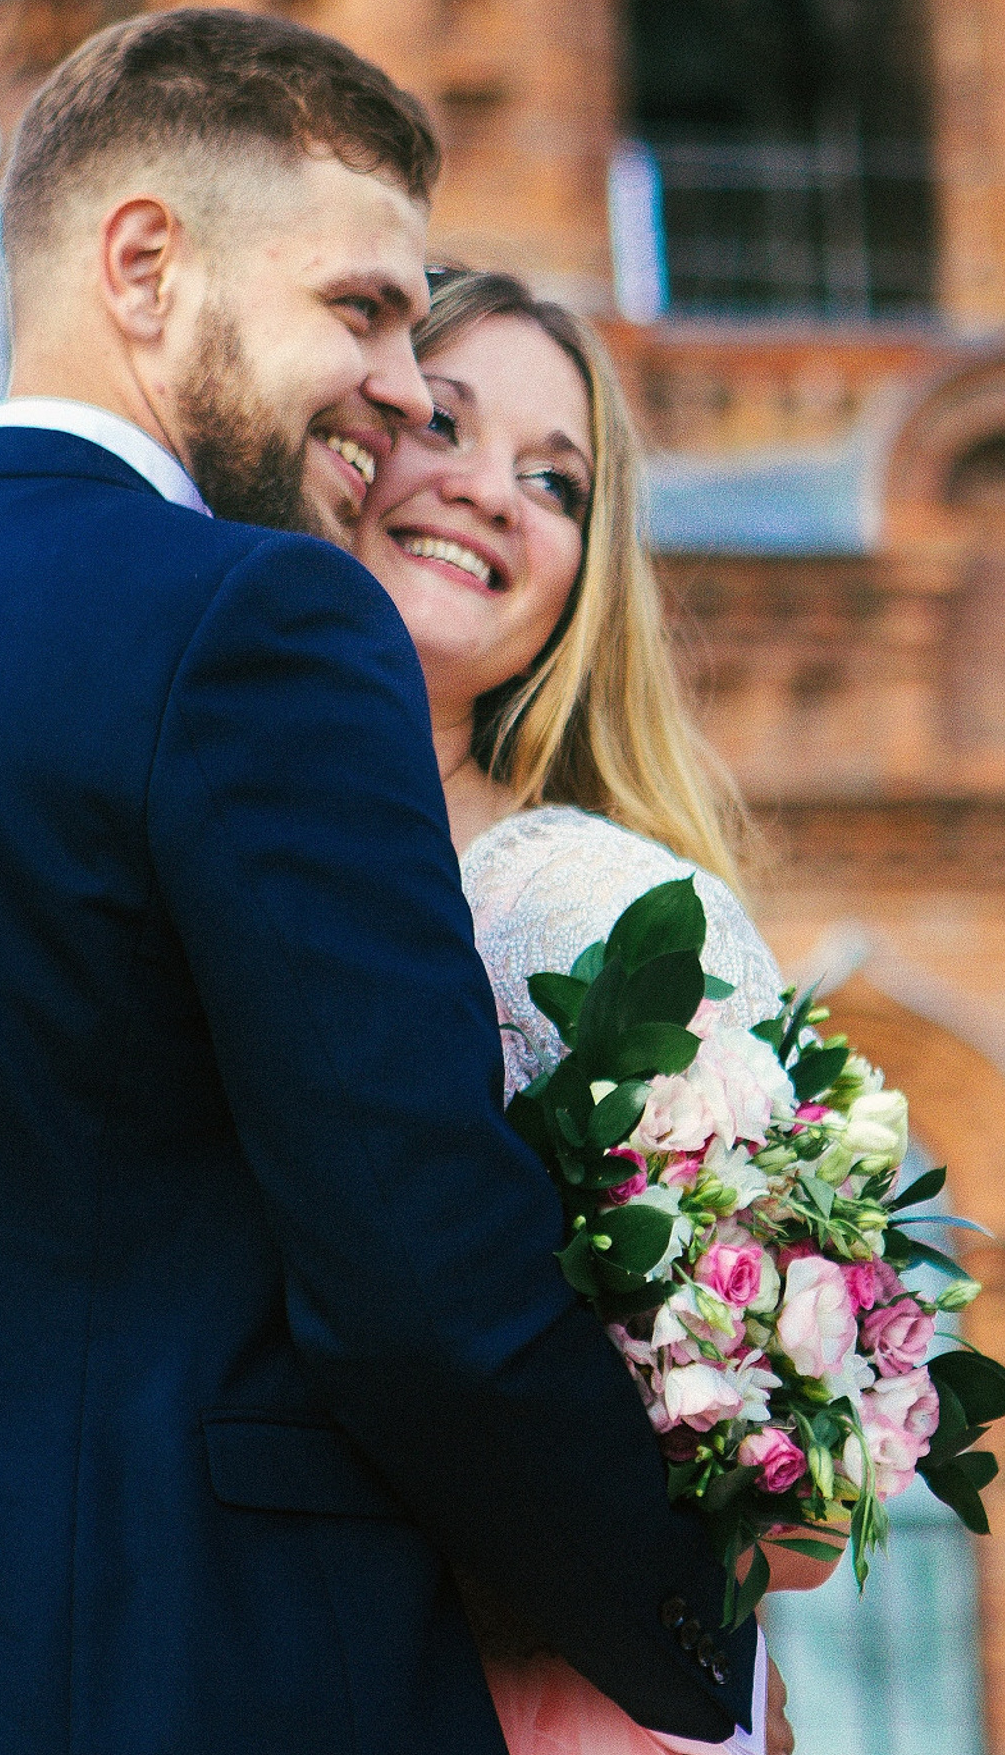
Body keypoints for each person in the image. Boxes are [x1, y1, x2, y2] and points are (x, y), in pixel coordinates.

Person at [0, 11, 761, 1754]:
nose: (401, 384)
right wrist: (692, 1620)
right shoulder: (262, 625)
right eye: (360, 308)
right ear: (145, 266)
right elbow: (416, 1273)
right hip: (159, 1679)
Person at [352, 269, 825, 1755]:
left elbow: (795, 1502)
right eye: (442, 422)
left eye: (555, 482)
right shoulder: (171, 842)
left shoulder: (599, 910)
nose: (491, 493)